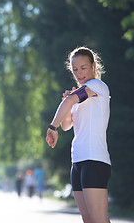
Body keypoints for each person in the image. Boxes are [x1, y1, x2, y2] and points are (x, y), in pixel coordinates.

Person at [46, 46, 111, 223]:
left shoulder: (97, 86)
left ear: (93, 66)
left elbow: (62, 120)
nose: (79, 73)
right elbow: (67, 125)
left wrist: (52, 126)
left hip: (94, 159)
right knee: (87, 219)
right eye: (75, 69)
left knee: (99, 219)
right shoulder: (79, 95)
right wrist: (67, 106)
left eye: (83, 68)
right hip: (78, 161)